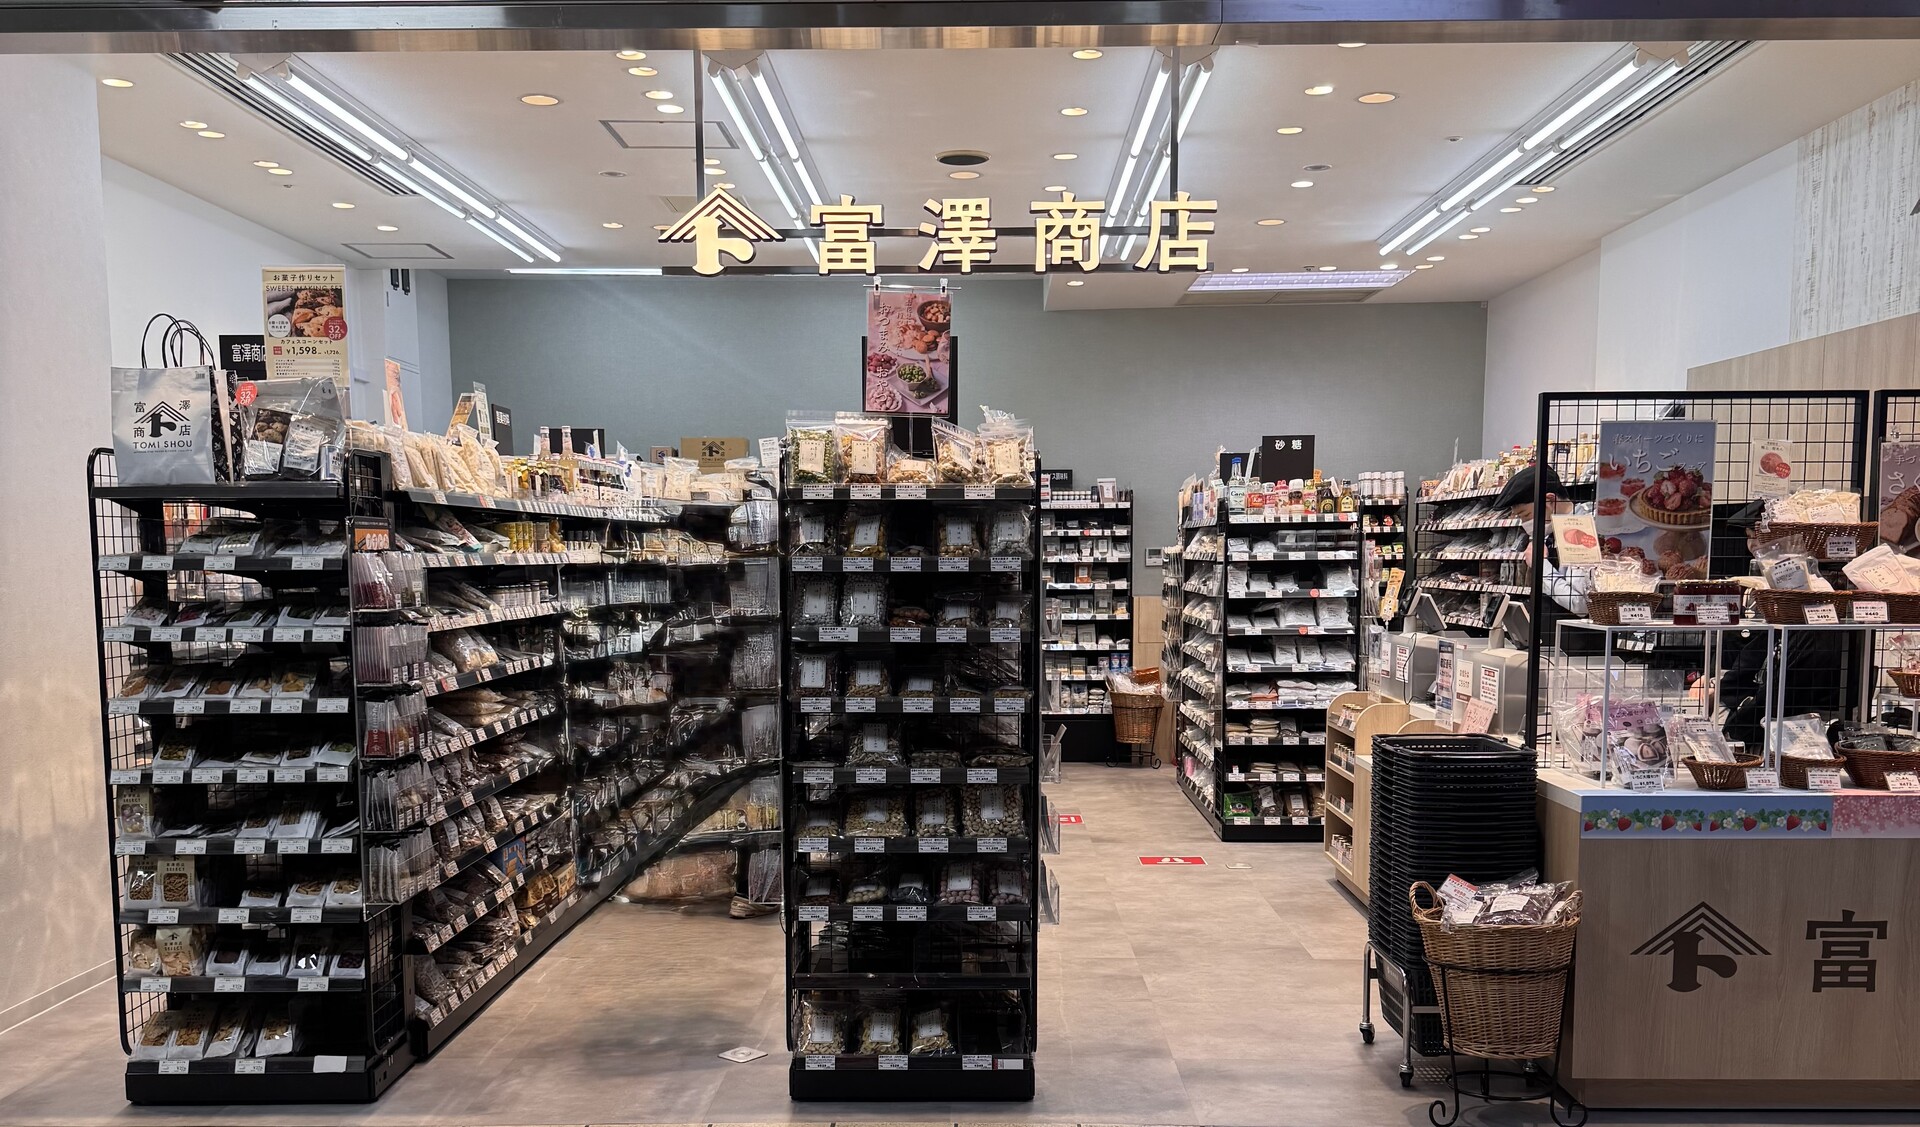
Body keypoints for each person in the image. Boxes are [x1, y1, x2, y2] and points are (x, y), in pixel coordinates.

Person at [1717, 500, 1847, 751]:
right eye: (1749, 537)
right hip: (1764, 704)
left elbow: (1787, 671)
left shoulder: (1809, 586)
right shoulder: (1757, 585)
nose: (1753, 544)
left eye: (1759, 536)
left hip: (1794, 710)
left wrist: (1744, 714)